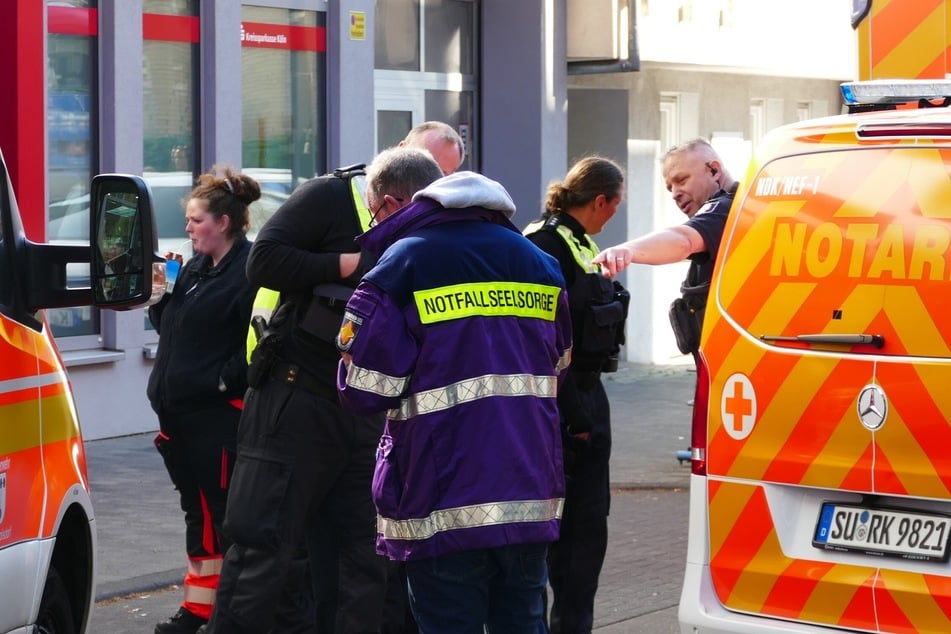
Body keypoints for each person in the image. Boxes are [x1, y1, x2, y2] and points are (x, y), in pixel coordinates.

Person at [204, 140, 458, 634]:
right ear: (391, 203)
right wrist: (351, 264)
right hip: (294, 399)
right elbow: (264, 261)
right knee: (262, 550)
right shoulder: (328, 196)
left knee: (360, 561)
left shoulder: (424, 228)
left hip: (366, 411)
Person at [336, 151, 573, 633]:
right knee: (524, 621)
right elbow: (559, 367)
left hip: (442, 495)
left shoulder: (404, 263)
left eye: (373, 214)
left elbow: (365, 390)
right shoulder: (541, 263)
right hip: (528, 490)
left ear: (390, 203)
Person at [147, 166, 261, 634]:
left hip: (216, 417)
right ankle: (201, 608)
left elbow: (257, 343)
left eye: (196, 220)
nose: (189, 228)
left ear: (224, 223)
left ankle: (226, 612)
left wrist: (220, 383)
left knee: (223, 515)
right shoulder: (194, 268)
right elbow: (169, 329)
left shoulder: (250, 271)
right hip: (179, 415)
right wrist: (161, 292)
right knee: (198, 512)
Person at [523, 156, 628, 633]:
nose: (614, 213)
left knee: (585, 539)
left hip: (585, 397)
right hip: (564, 407)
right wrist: (573, 416)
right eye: (615, 204)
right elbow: (542, 342)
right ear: (601, 200)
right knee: (570, 539)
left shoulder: (579, 241)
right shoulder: (544, 244)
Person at [594, 138, 737, 358]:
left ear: (714, 171)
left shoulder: (726, 209)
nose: (675, 194)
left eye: (682, 180)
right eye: (670, 188)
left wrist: (629, 251)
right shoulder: (740, 208)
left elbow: (683, 239)